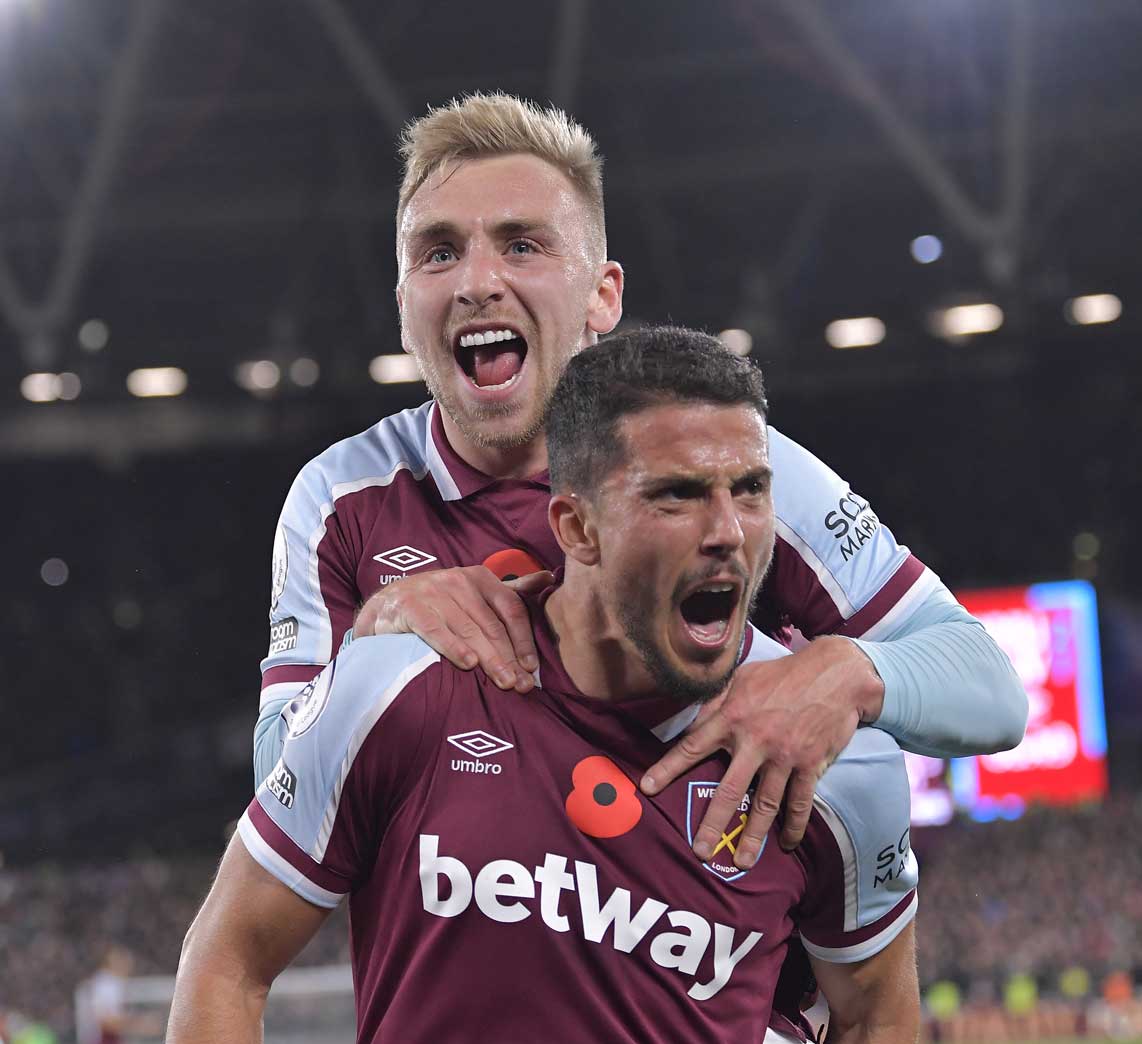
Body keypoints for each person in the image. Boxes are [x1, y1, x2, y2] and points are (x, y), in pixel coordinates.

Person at [256, 92, 1025, 867]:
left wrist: (849, 674)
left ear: (603, 295)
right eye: (439, 251)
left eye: (522, 245)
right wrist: (372, 635)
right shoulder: (339, 501)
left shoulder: (732, 468)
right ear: (403, 307)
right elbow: (275, 795)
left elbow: (991, 688)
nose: (476, 282)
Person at [170, 329, 919, 1043]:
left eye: (750, 490)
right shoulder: (394, 689)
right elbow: (226, 962)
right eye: (677, 495)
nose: (727, 530)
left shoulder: (838, 766)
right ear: (577, 528)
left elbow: (876, 1018)